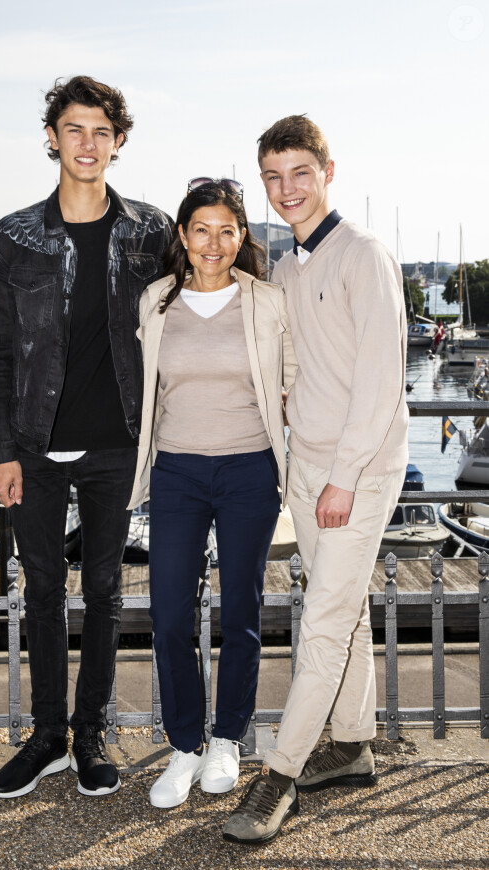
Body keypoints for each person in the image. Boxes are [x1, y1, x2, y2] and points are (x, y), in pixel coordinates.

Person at [0, 75, 172, 799]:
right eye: (74, 129)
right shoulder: (10, 240)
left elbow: (214, 293)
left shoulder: (154, 233)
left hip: (118, 444)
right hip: (31, 446)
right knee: (45, 592)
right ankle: (48, 736)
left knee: (108, 593)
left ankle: (91, 736)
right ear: (52, 137)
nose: (87, 144)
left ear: (118, 144)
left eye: (102, 132)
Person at [224, 115, 409, 844]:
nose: (286, 189)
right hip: (309, 462)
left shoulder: (364, 255)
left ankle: (280, 774)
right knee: (348, 609)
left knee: (325, 622)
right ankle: (354, 744)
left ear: (329, 171)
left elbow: (381, 383)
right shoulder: (290, 265)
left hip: (356, 470)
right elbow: (302, 363)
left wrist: (342, 477)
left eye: (299, 172)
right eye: (272, 177)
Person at [128, 179, 297, 809]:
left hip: (249, 469)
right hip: (175, 472)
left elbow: (295, 378)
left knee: (242, 611)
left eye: (228, 230)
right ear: (182, 235)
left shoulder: (267, 302)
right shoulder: (154, 303)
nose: (214, 243)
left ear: (243, 236)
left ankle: (227, 738)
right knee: (170, 611)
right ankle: (185, 745)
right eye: (202, 229)